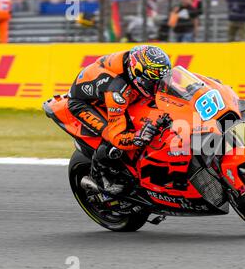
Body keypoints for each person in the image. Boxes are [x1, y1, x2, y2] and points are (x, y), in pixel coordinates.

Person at [67, 45, 172, 194]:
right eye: (153, 82)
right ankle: (99, 176)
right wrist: (137, 138)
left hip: (107, 89)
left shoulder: (139, 62)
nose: (157, 86)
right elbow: (117, 137)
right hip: (84, 103)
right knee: (111, 137)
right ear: (137, 74)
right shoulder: (117, 91)